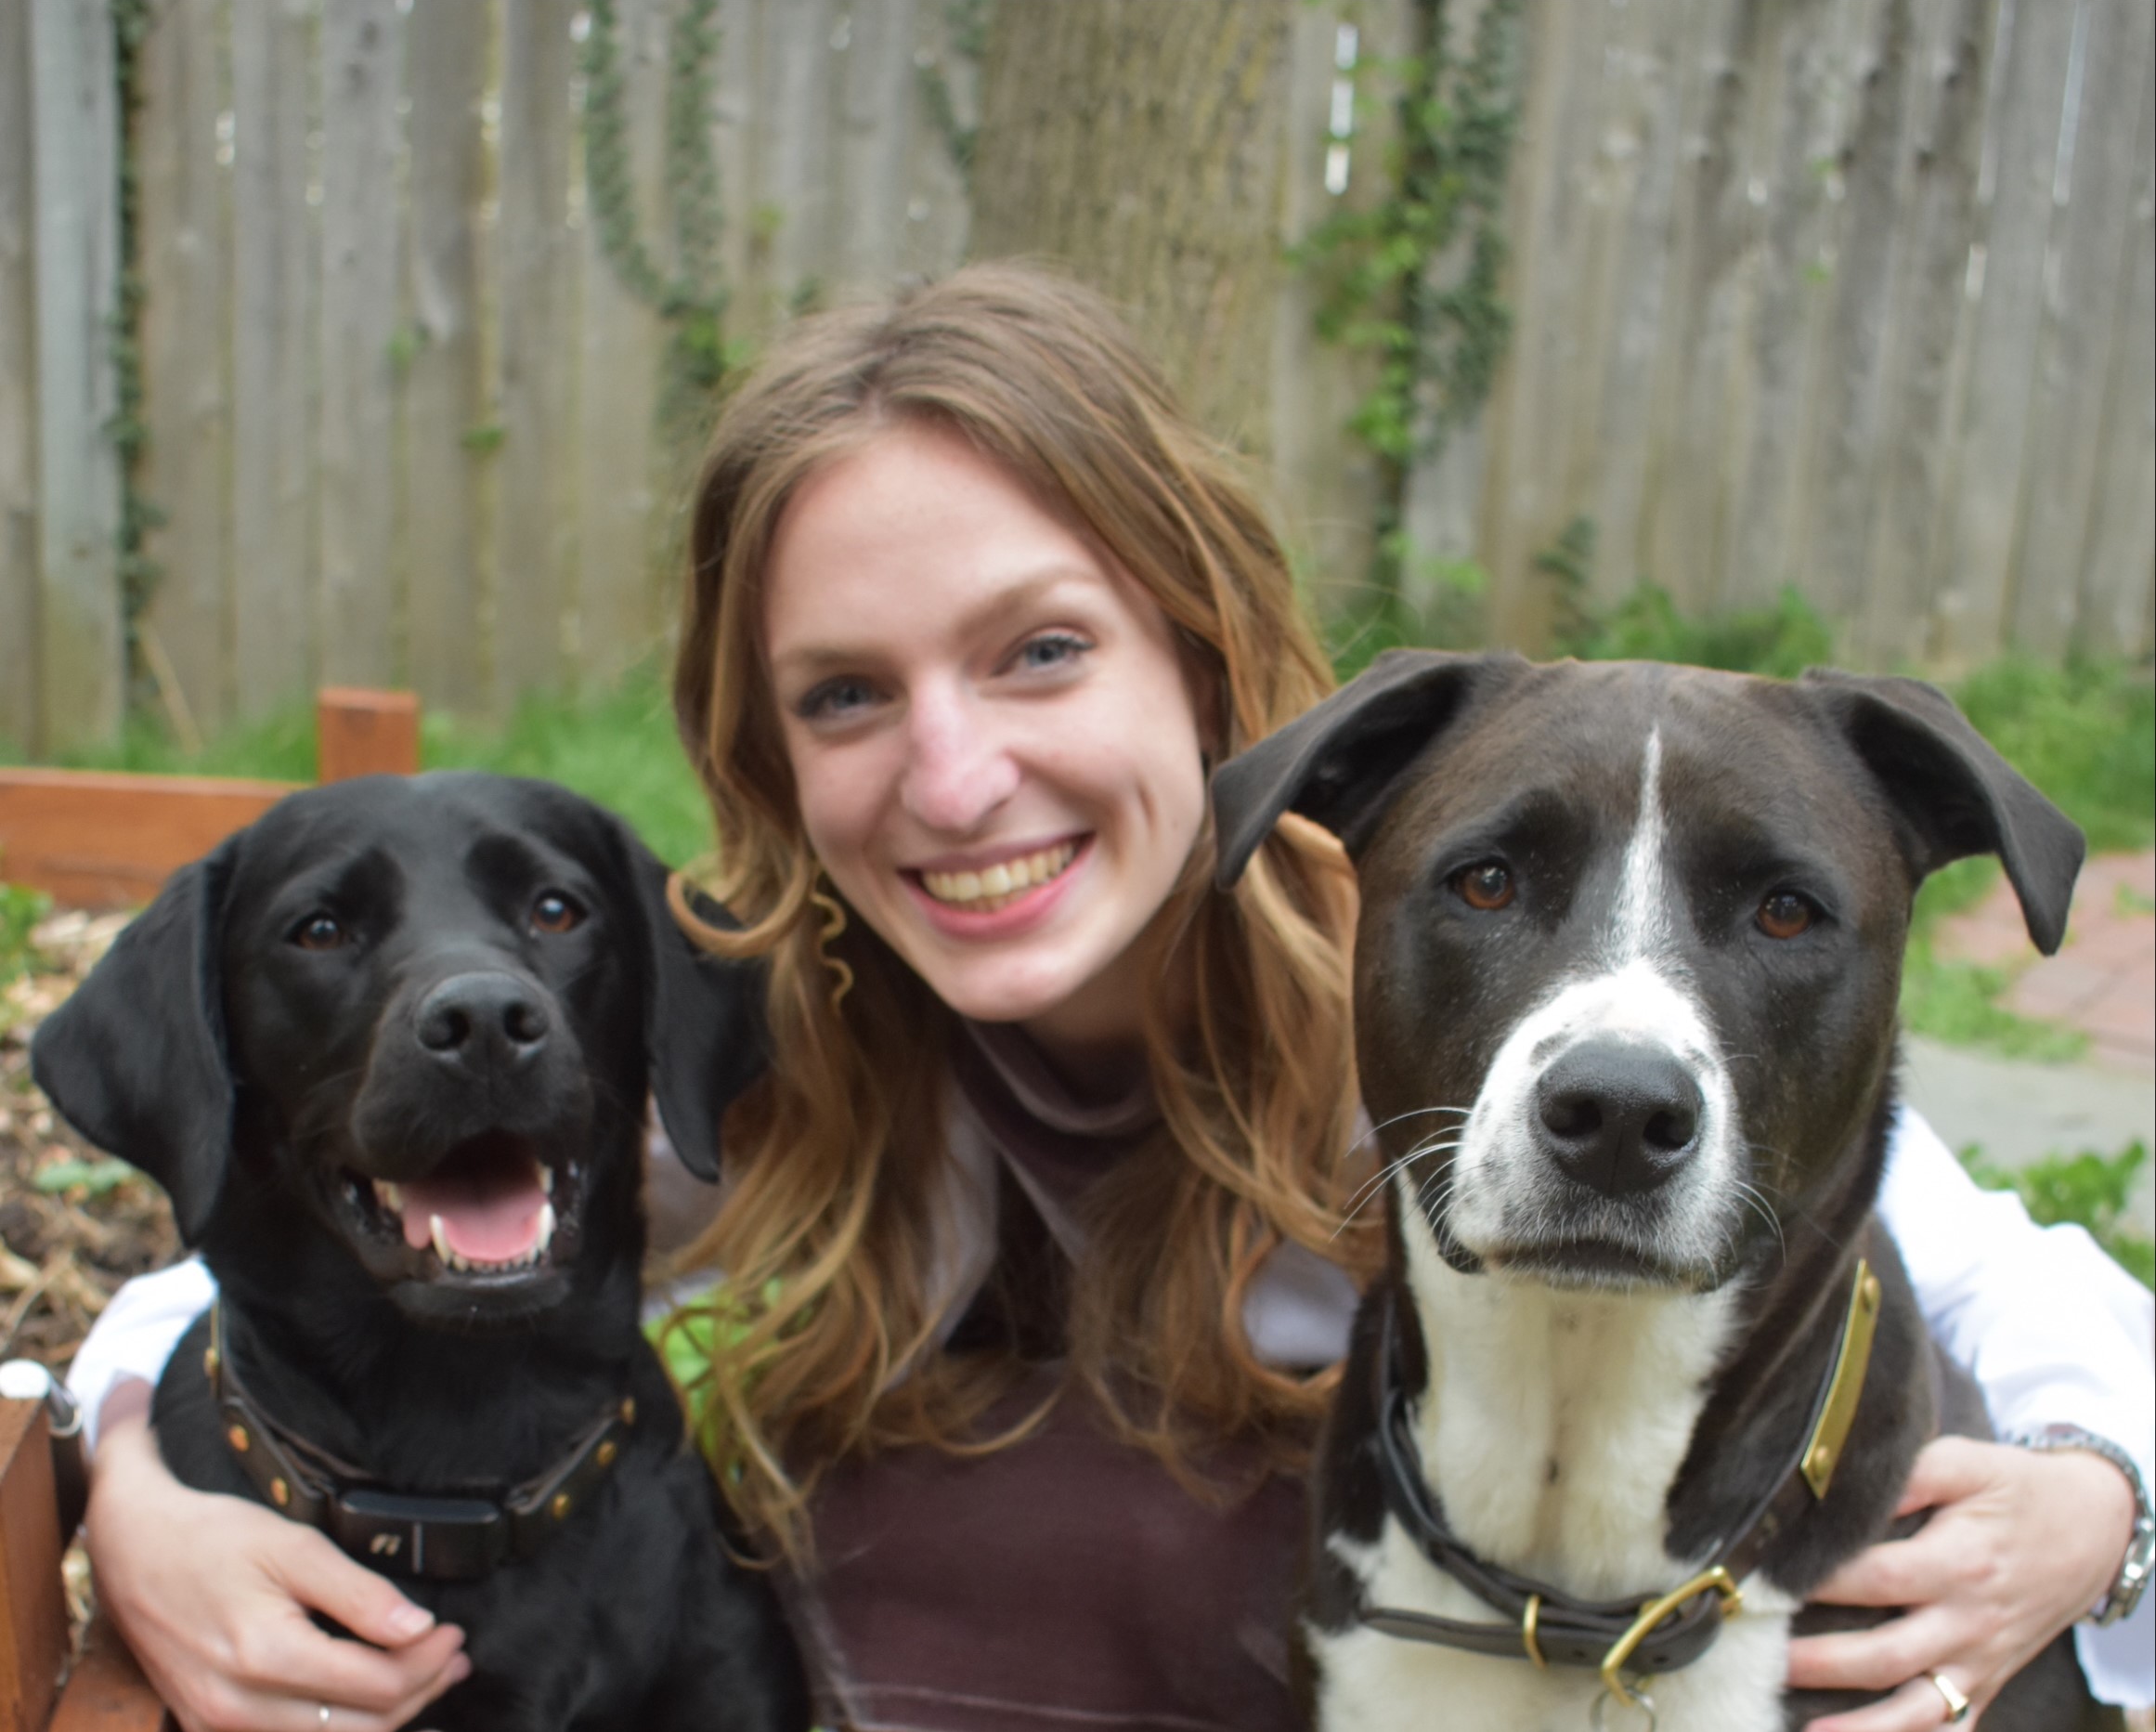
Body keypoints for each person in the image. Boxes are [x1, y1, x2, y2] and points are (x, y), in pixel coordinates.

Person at [66, 264, 2152, 1732]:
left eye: (1039, 652)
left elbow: (2010, 1287)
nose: (956, 776)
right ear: (770, 752)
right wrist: (136, 1479)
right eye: (850, 696)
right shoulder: (764, 1064)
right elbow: (274, 1241)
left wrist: (2096, 1503)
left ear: (1201, 649)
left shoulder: (1452, 1036)